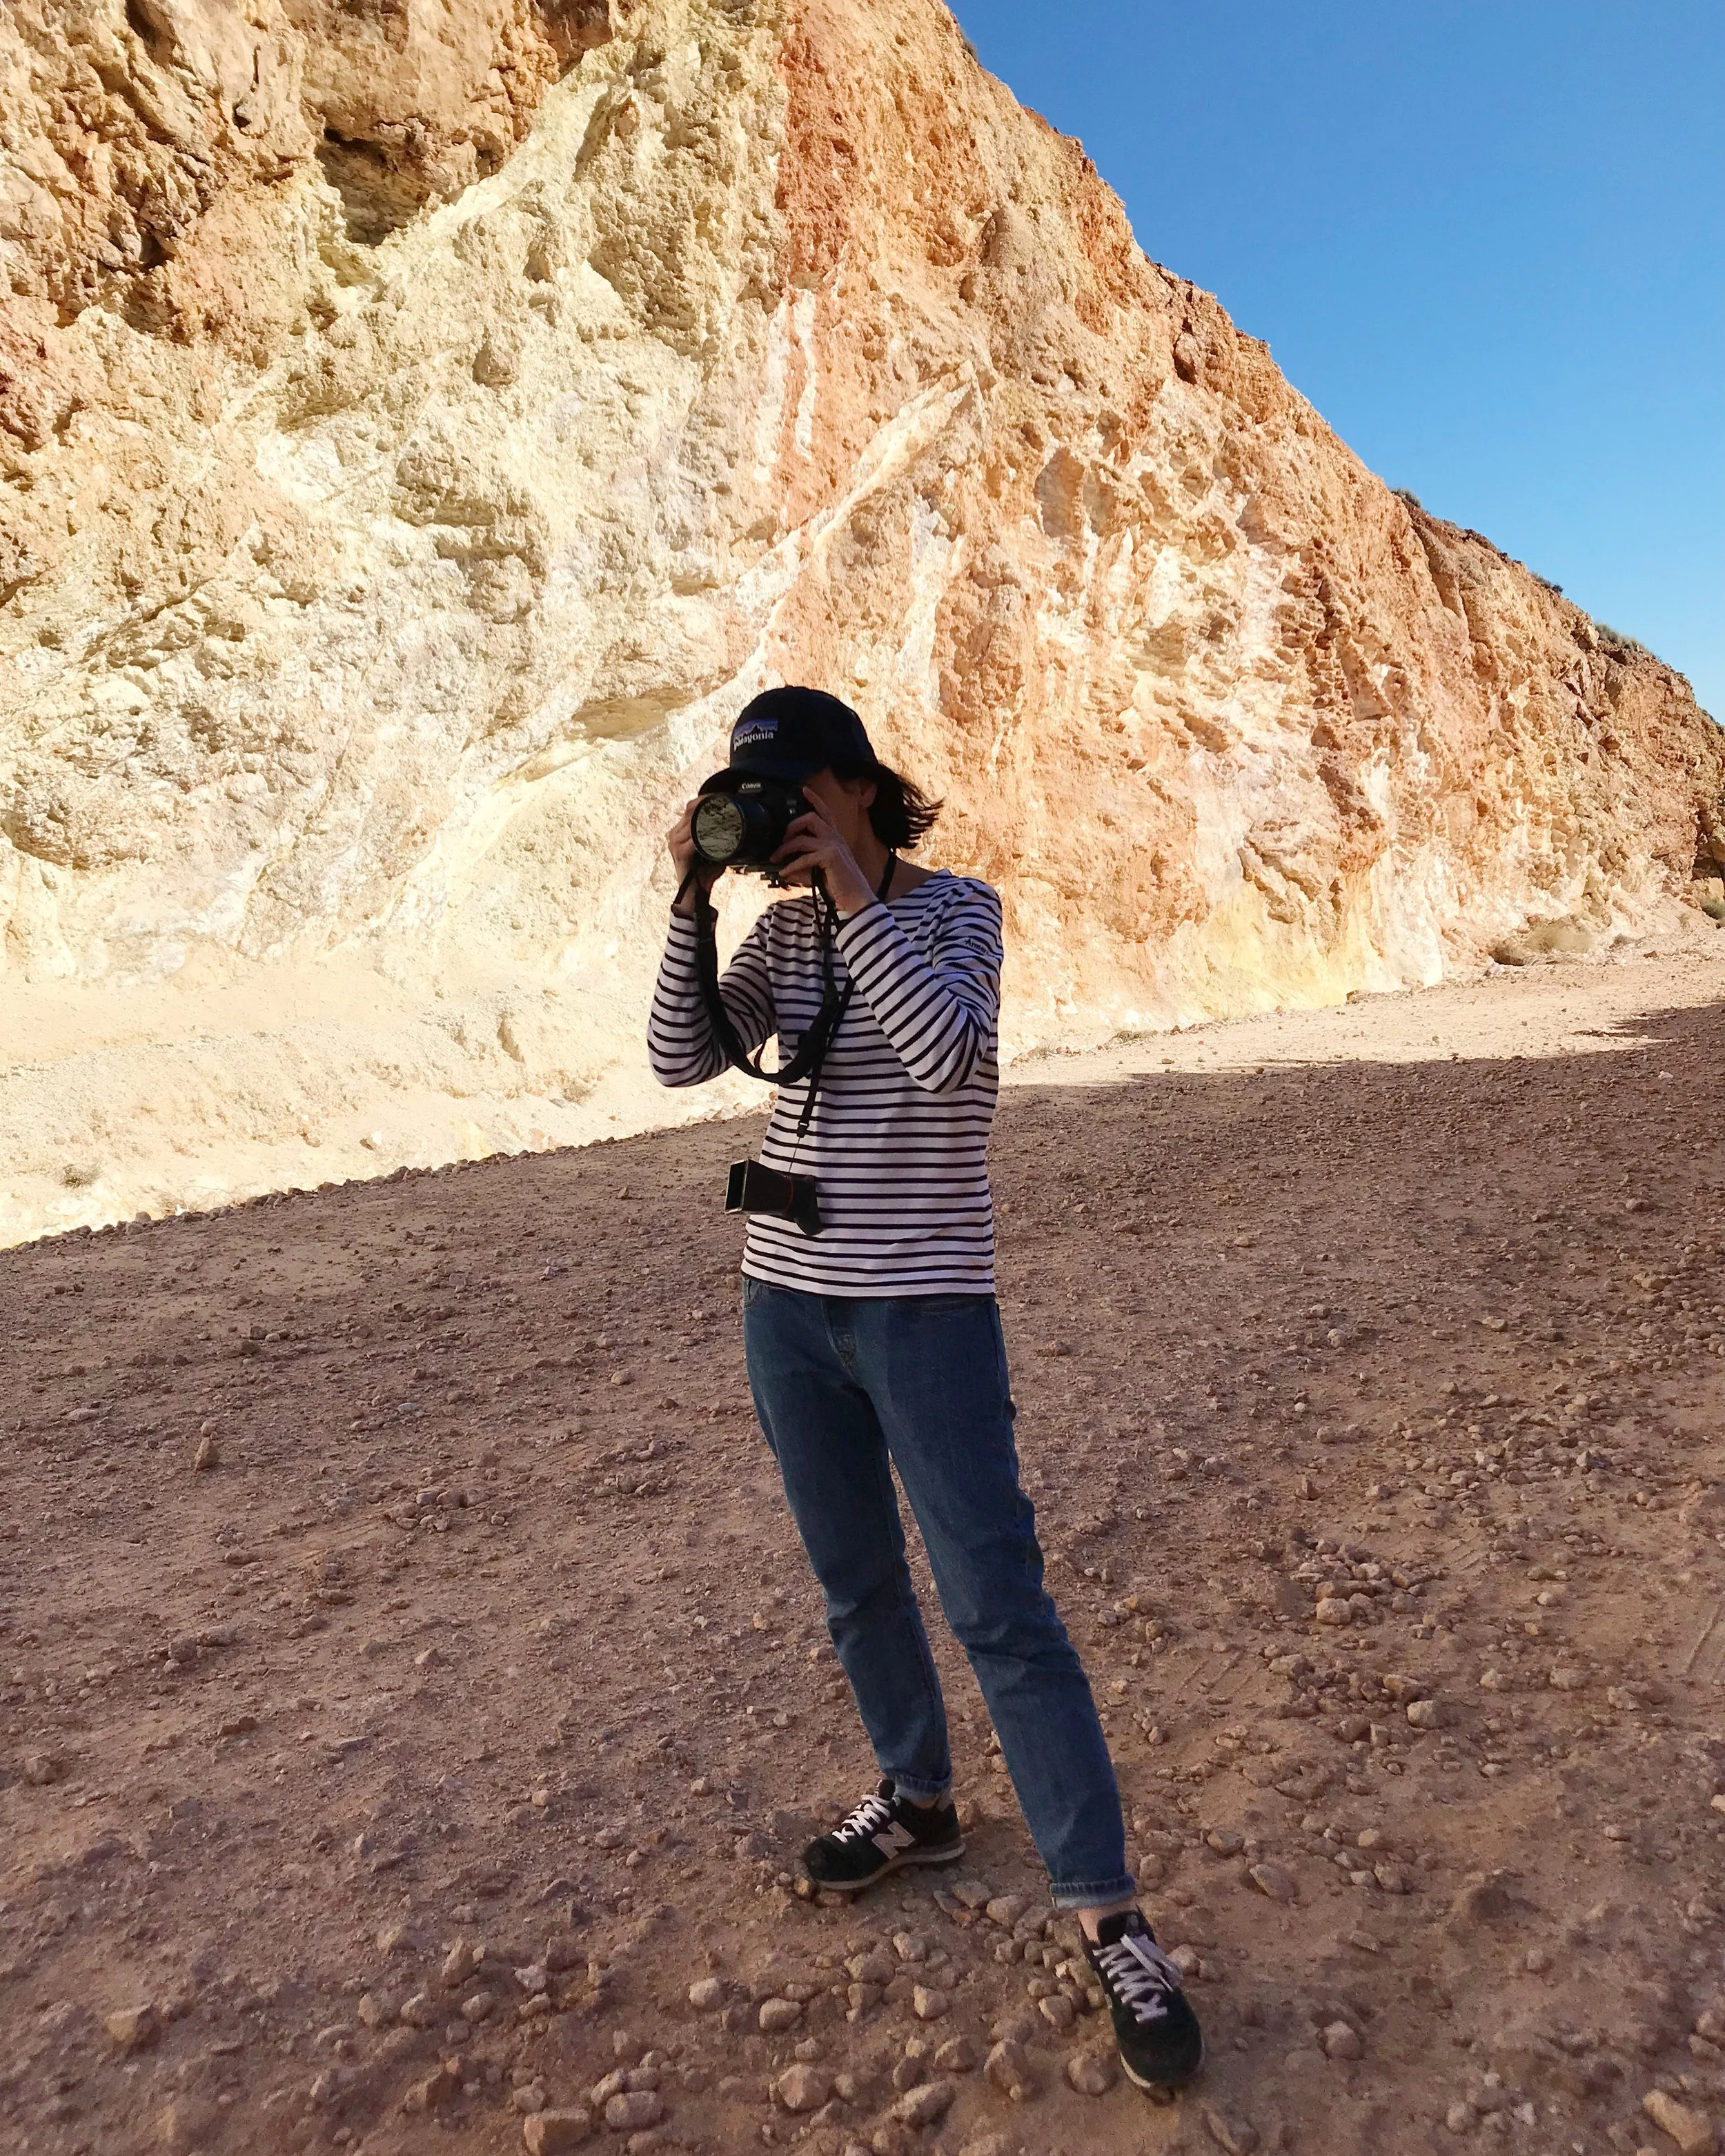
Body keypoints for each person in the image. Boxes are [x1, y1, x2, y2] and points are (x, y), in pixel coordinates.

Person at [647, 686, 1203, 2093]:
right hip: (784, 1304)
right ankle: (920, 1797)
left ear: (856, 788)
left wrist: (854, 889)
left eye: (793, 793)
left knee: (998, 1604)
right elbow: (678, 1060)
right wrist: (689, 900)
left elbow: (951, 1062)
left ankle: (1109, 1913)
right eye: (757, 798)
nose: (775, 817)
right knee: (856, 1583)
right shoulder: (780, 933)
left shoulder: (957, 911)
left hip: (926, 1310)